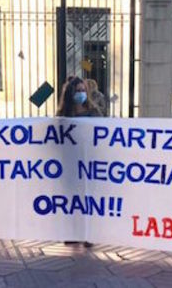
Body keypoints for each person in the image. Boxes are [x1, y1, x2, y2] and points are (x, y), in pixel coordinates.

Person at [57, 77, 100, 247]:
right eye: (78, 91)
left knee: (87, 198)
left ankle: (88, 234)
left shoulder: (94, 113)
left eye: (83, 90)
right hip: (70, 163)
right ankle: (73, 233)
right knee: (72, 200)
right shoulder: (63, 116)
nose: (81, 94)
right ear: (70, 94)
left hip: (89, 162)